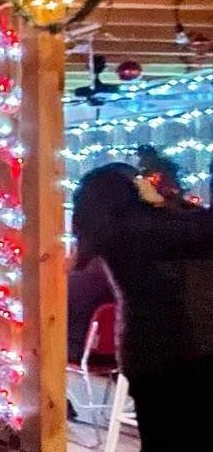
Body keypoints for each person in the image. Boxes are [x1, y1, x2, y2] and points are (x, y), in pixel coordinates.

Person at [71, 162, 213, 450]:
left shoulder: (123, 231)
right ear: (124, 191)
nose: (145, 182)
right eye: (136, 180)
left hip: (149, 357)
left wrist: (166, 202)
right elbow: (200, 227)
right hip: (178, 356)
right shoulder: (139, 229)